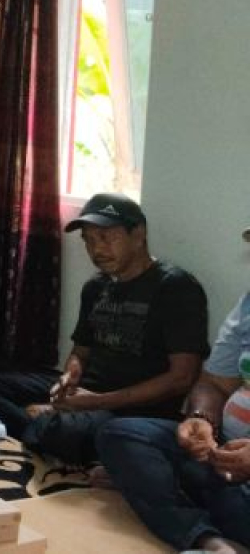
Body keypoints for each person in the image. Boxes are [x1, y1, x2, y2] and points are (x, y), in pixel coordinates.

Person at [0, 193, 209, 465]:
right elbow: (80, 352)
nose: (97, 250)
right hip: (85, 394)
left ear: (138, 234)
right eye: (89, 240)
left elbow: (182, 378)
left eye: (107, 237)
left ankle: (40, 427)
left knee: (63, 432)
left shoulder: (175, 287)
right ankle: (41, 429)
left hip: (133, 409)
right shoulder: (96, 287)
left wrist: (96, 402)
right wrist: (69, 376)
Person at [94, 225, 250, 554]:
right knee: (121, 435)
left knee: (147, 474)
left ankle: (165, 492)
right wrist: (202, 419)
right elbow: (213, 383)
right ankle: (209, 539)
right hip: (223, 457)